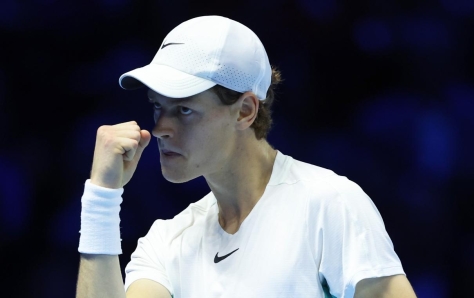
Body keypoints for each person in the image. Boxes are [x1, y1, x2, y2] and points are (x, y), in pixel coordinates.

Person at [75, 15, 416, 298]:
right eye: (157, 107)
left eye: (183, 109)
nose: (161, 127)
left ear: (245, 111)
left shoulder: (329, 204)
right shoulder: (167, 242)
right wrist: (101, 199)